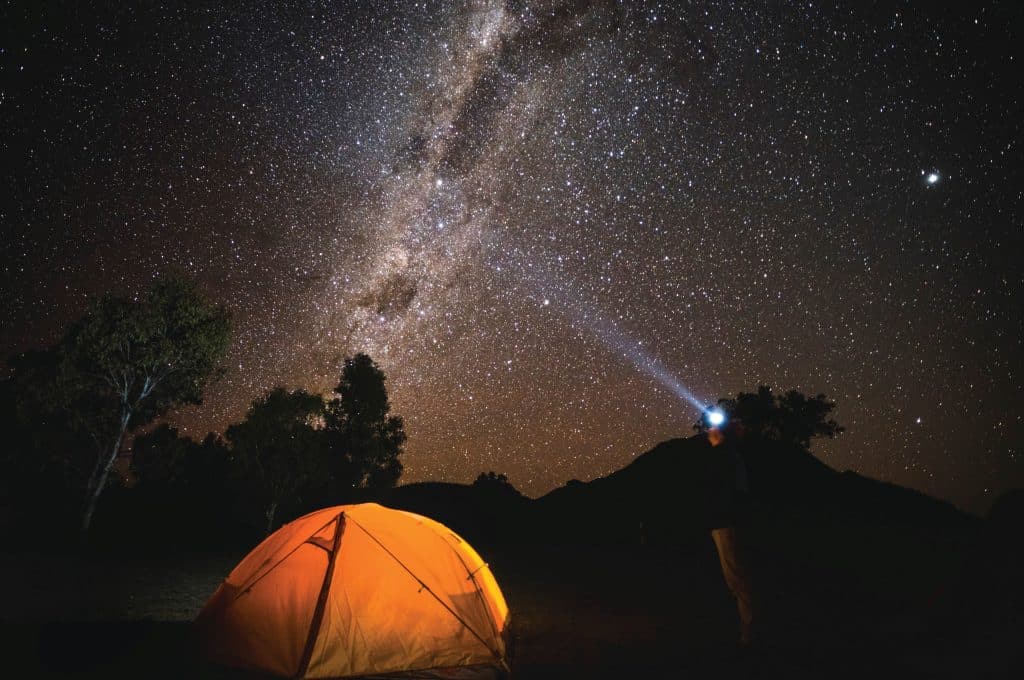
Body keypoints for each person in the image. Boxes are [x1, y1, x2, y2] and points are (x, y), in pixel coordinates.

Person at [705, 415, 755, 647]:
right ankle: (744, 628)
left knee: (737, 578)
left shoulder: (725, 457)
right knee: (734, 577)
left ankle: (749, 634)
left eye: (713, 428)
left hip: (727, 524)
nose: (708, 431)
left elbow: (730, 492)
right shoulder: (727, 457)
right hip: (724, 523)